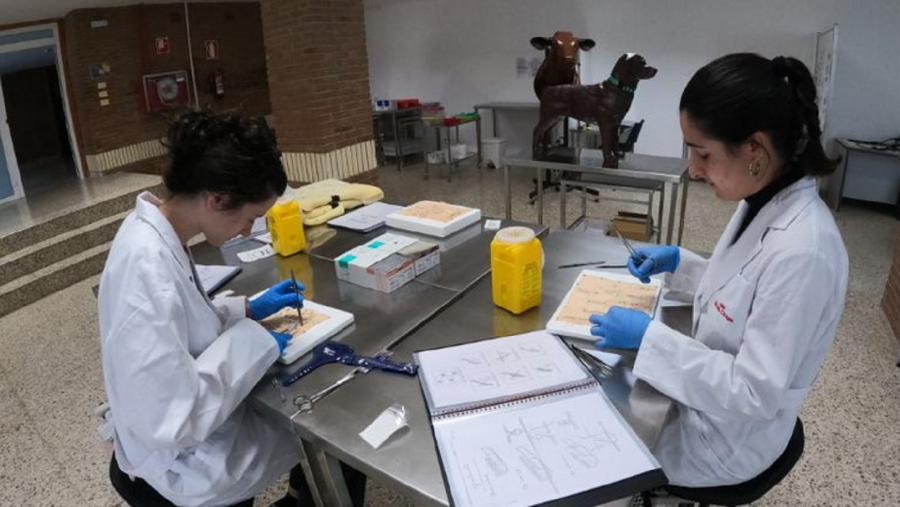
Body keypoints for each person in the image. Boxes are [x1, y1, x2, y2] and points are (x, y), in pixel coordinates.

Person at [589, 53, 849, 487]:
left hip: (724, 443)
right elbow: (744, 288)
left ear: (754, 149)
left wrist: (650, 338)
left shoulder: (805, 252)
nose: (693, 169)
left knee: (596, 447)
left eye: (702, 153)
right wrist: (682, 265)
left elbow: (753, 392)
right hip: (708, 406)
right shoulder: (764, 199)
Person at [98, 111, 365, 506]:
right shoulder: (146, 266)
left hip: (180, 436)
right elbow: (172, 417)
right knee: (336, 433)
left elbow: (182, 325)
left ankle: (302, 492)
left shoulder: (155, 232)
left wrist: (245, 310)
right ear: (217, 199)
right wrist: (253, 340)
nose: (248, 231)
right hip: (180, 462)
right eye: (251, 218)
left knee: (317, 428)